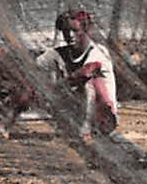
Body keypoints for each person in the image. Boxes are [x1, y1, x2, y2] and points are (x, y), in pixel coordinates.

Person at [34, 9, 118, 143]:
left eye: (75, 30)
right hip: (73, 112)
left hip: (102, 117)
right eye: (66, 31)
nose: (70, 35)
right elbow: (36, 65)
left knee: (87, 84)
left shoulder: (98, 51)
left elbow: (85, 72)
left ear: (85, 30)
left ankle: (85, 131)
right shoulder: (60, 53)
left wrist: (56, 87)